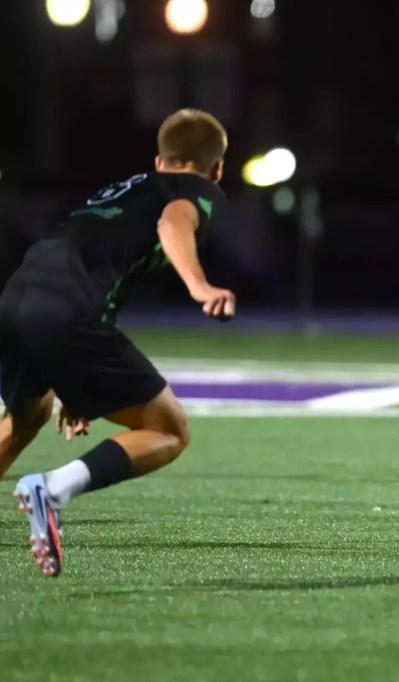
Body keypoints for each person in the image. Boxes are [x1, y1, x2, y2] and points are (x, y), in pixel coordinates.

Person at [1, 108, 235, 577]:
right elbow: (173, 223)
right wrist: (199, 285)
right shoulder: (195, 190)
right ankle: (54, 487)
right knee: (170, 430)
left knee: (27, 417)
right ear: (217, 169)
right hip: (64, 309)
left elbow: (89, 262)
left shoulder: (126, 187)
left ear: (159, 160)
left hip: (17, 294)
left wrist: (72, 381)